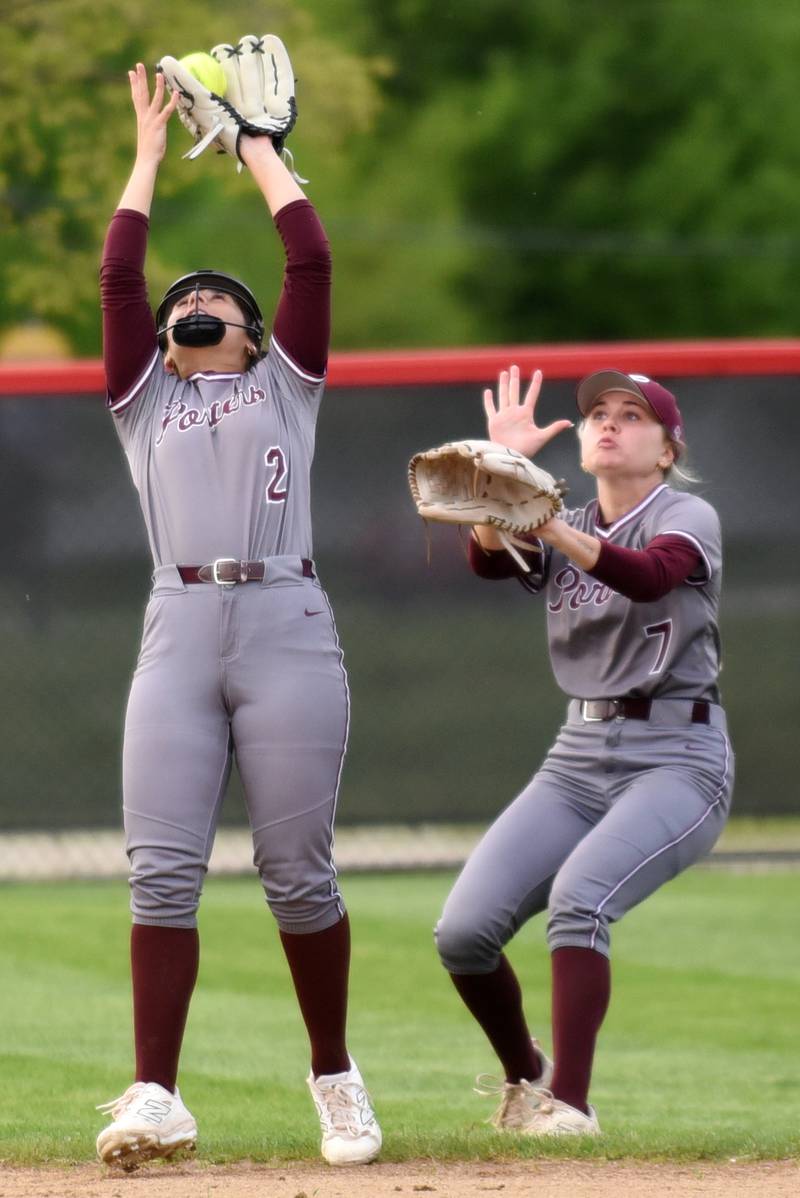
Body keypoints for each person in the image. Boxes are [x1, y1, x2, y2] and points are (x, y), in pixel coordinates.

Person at [94, 62, 381, 1170]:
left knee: (296, 869)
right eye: (180, 302)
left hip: (284, 622)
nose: (192, 299)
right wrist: (150, 155)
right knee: (159, 871)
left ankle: (334, 1077)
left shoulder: (285, 388)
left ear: (254, 333)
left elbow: (308, 256)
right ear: (165, 339)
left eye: (214, 297)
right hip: (177, 628)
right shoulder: (145, 400)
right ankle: (157, 1094)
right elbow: (121, 277)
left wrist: (260, 143)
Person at [434, 364, 733, 1135]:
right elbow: (487, 560)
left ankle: (573, 1105)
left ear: (666, 449)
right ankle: (527, 1077)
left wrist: (542, 513)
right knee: (463, 935)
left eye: (632, 415)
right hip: (578, 754)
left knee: (580, 901)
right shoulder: (557, 513)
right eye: (598, 412)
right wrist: (496, 481)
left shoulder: (688, 513)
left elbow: (647, 574)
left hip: (678, 754)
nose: (608, 423)